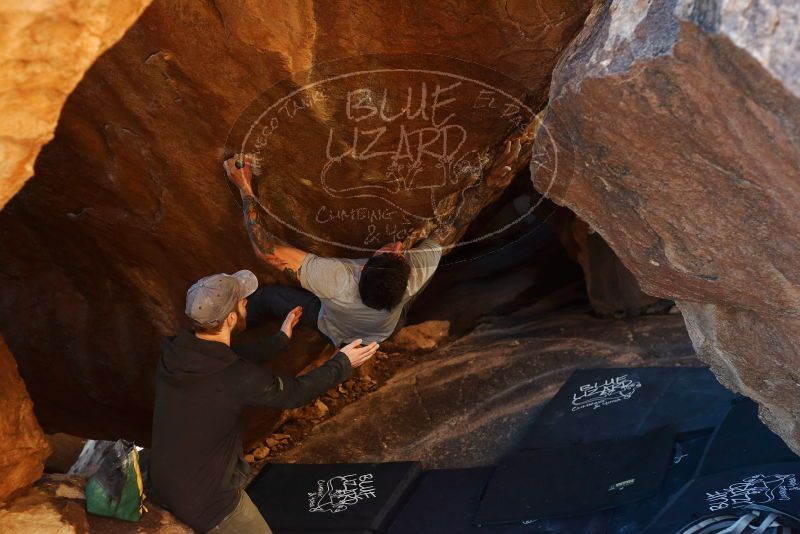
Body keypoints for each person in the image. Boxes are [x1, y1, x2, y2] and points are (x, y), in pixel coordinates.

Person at [223, 137, 522, 347]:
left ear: (362, 270)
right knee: (402, 311)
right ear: (406, 280)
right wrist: (488, 185)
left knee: (272, 298)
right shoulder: (416, 276)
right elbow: (455, 223)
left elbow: (266, 250)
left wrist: (245, 189)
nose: (399, 246)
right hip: (383, 330)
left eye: (388, 252)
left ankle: (238, 327)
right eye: (400, 254)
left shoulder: (337, 282)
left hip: (336, 328)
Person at [150, 270, 378, 533]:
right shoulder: (231, 377)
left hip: (166, 478)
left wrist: (281, 340)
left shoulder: (176, 351)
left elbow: (233, 360)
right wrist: (342, 363)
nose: (248, 300)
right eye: (243, 300)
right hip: (209, 503)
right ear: (232, 318)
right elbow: (294, 393)